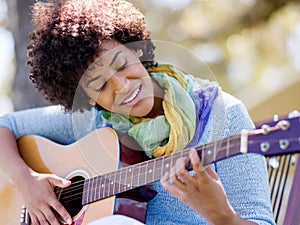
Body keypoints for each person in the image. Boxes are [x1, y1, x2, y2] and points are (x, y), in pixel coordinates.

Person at [0, 0, 275, 225]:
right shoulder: (94, 122)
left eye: (121, 64)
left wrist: (222, 216)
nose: (121, 86)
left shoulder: (224, 115)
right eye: (100, 85)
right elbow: (4, 124)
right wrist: (26, 181)